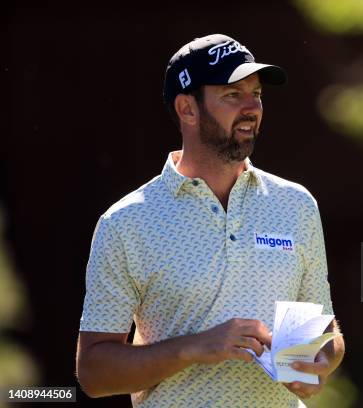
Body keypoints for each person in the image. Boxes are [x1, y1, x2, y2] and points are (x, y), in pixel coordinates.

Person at [75, 34, 345, 407]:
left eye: (257, 94)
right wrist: (194, 347)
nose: (252, 107)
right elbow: (94, 372)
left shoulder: (296, 205)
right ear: (188, 109)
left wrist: (318, 361)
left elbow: (325, 331)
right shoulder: (126, 222)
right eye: (233, 95)